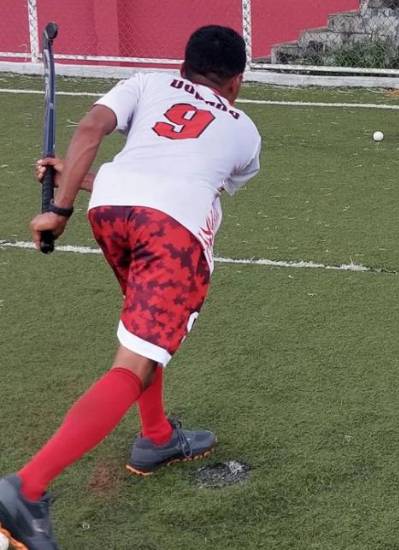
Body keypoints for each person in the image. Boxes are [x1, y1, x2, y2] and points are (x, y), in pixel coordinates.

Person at [0, 25, 261, 549]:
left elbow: (90, 132)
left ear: (182, 66)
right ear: (236, 82)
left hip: (110, 212)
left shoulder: (146, 82)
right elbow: (185, 181)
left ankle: (156, 436)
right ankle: (24, 490)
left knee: (146, 332)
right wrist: (64, 202)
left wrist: (63, 200)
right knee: (136, 360)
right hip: (173, 231)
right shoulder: (246, 132)